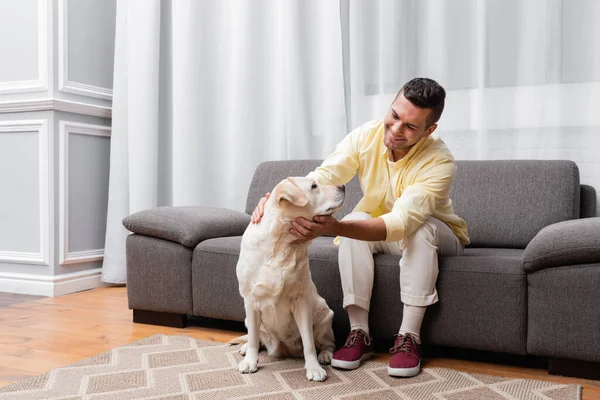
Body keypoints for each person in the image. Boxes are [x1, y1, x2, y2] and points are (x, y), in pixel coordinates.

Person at [251, 77, 469, 378]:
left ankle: (409, 338)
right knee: (353, 223)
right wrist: (277, 198)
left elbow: (402, 222)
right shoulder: (367, 135)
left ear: (429, 130)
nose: (394, 130)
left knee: (416, 231)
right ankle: (359, 334)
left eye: (410, 127)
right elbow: (324, 176)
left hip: (438, 233)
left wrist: (333, 228)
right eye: (394, 116)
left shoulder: (440, 162)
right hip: (382, 230)